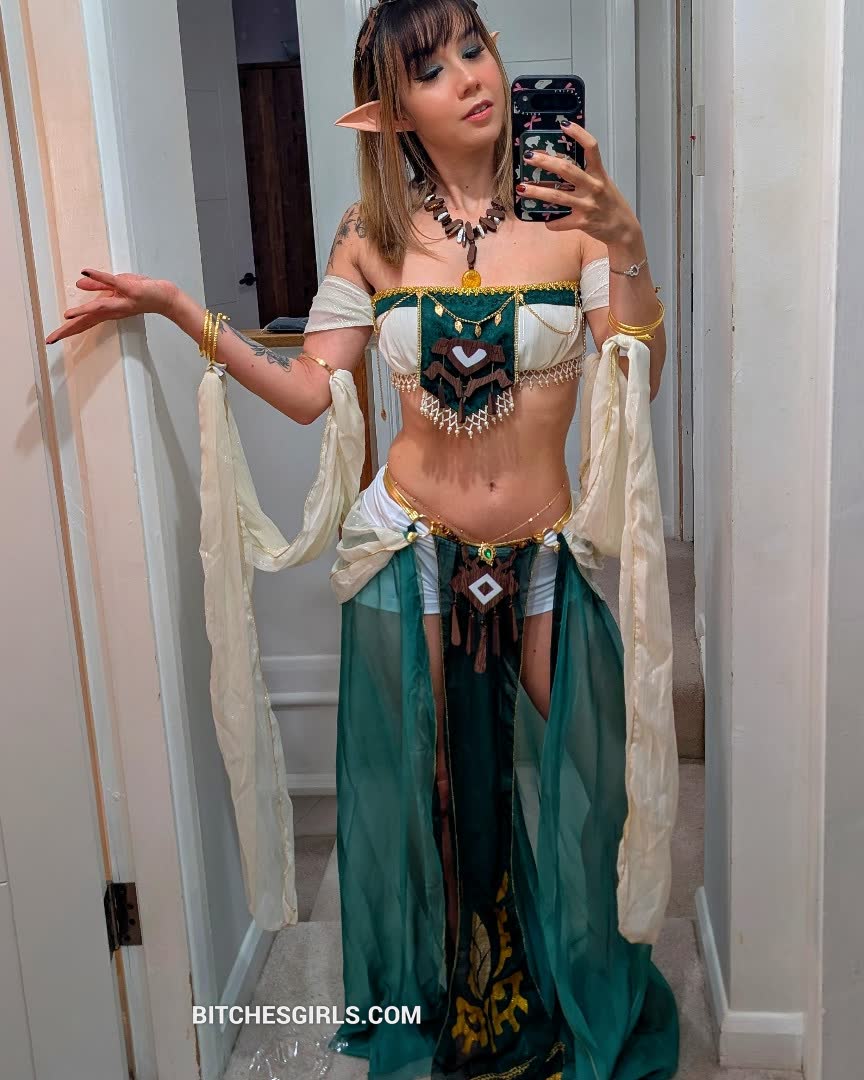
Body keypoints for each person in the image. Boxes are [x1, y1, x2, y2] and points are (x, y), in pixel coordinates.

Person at [45, 1, 680, 1076]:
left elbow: (637, 379)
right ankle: (457, 1001)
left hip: (540, 549)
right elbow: (309, 389)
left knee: (591, 776)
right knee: (430, 791)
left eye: (475, 49)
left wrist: (629, 249)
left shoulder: (573, 217)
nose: (470, 77)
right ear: (390, 113)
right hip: (412, 548)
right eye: (433, 70)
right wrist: (182, 312)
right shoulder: (368, 237)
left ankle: (567, 977)